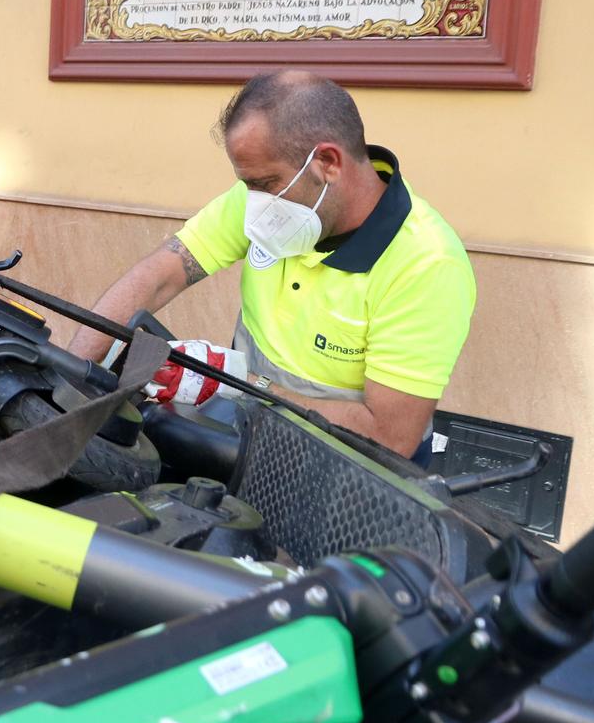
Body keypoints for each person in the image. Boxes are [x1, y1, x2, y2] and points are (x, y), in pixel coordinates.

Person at [68, 70, 475, 459]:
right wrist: (71, 377)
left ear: (328, 162)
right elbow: (161, 275)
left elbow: (389, 437)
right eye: (249, 185)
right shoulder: (270, 205)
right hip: (253, 429)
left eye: (264, 184)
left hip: (352, 470)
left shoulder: (426, 265)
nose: (255, 201)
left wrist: (238, 386)